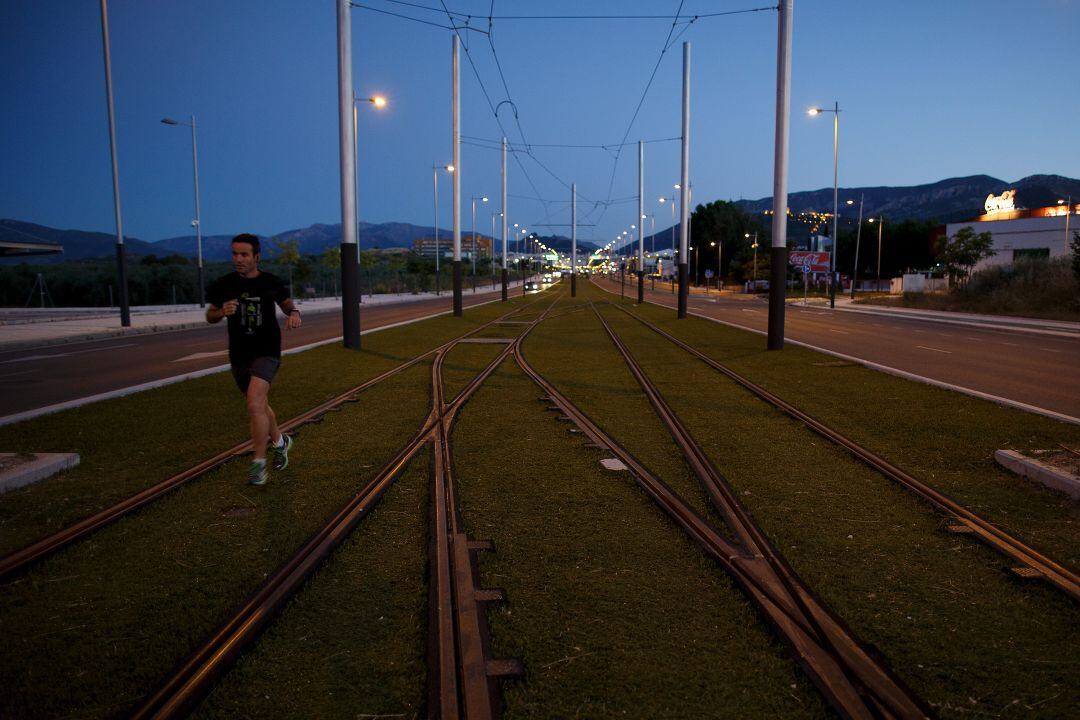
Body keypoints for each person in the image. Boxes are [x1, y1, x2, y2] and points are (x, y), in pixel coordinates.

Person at [207, 233, 302, 485]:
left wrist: (293, 313)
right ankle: (281, 442)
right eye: (234, 254)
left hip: (267, 350)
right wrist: (220, 312)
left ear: (256, 257)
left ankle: (258, 464)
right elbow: (210, 315)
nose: (238, 259)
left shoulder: (270, 282)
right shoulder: (224, 284)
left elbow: (285, 302)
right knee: (259, 406)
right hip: (239, 354)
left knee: (253, 403)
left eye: (244, 254)